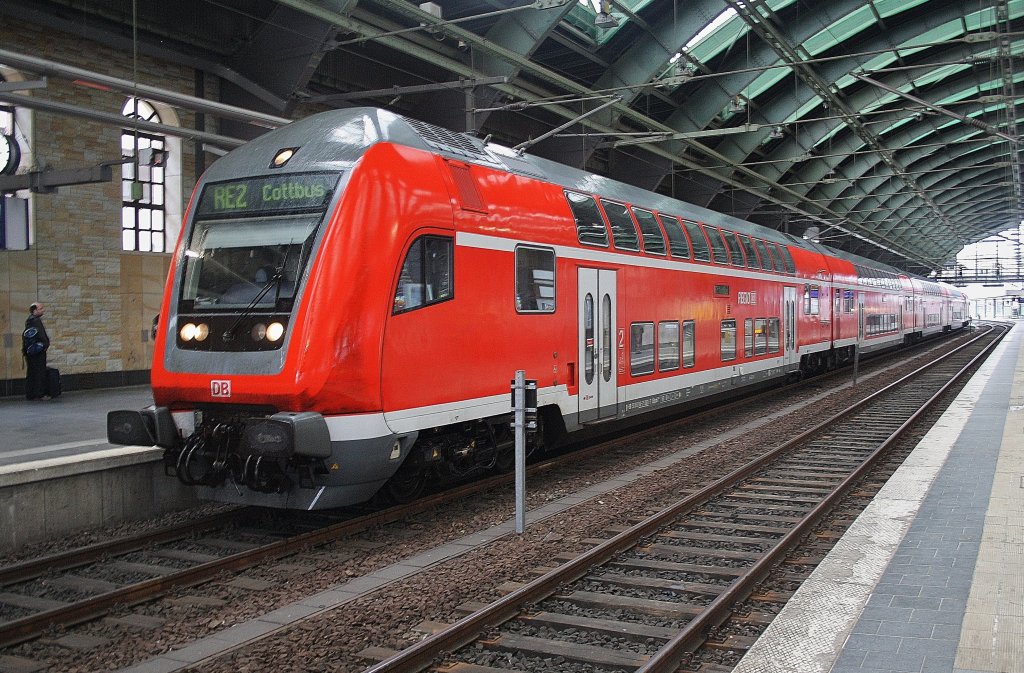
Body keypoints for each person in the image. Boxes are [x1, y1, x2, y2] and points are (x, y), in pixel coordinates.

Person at [24, 302, 50, 400]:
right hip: (37, 352)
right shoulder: (35, 321)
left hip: (31, 352)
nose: (43, 310)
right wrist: (45, 345)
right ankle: (39, 393)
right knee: (39, 372)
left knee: (31, 372)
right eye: (41, 308)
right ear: (34, 310)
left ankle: (31, 394)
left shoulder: (30, 320)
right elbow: (41, 335)